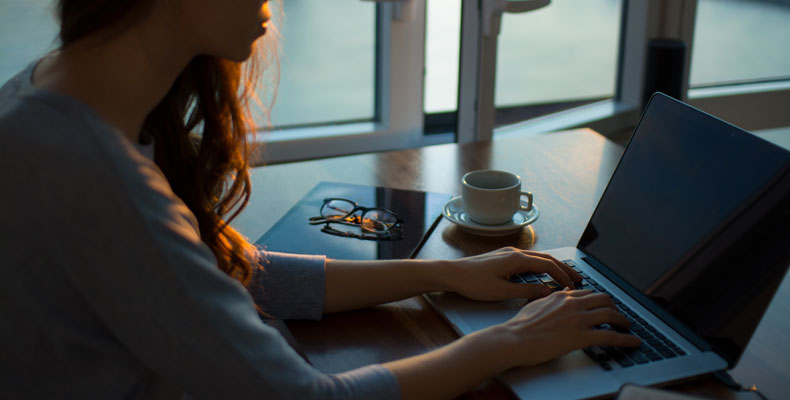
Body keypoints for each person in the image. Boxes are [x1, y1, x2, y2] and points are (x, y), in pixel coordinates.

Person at [0, 0, 640, 398]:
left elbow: (227, 276)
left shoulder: (45, 97)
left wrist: (446, 273)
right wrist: (509, 343)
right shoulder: (98, 178)